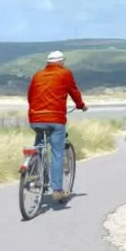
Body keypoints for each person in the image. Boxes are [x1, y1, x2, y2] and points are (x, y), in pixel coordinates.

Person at [27, 50, 87, 202]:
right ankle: (57, 190)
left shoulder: (37, 75)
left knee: (39, 146)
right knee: (57, 153)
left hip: (35, 118)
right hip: (55, 118)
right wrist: (80, 105)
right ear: (61, 62)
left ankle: (34, 171)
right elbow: (74, 91)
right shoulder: (65, 73)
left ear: (48, 62)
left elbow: (30, 96)